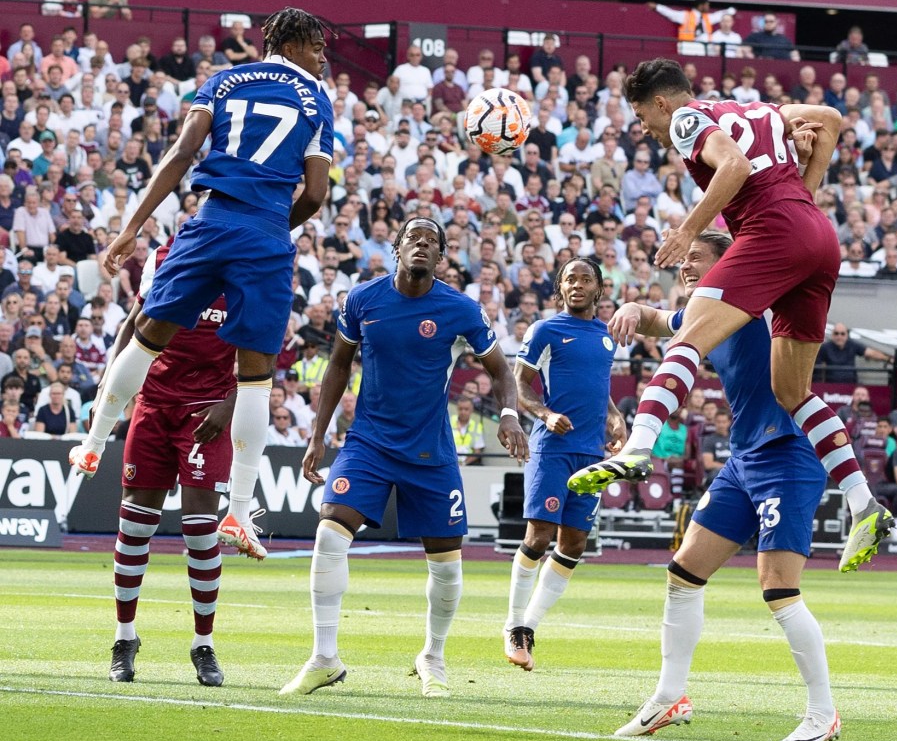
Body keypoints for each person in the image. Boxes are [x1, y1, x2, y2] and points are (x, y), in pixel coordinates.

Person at [567, 58, 893, 574]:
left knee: (688, 342)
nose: (647, 130)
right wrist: (806, 190)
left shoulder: (684, 119)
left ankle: (637, 447)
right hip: (819, 238)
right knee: (793, 392)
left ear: (659, 102)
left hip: (772, 233)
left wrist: (686, 229)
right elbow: (830, 117)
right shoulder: (760, 109)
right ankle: (863, 504)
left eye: (642, 117)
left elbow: (735, 167)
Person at [67, 8, 334, 564]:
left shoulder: (223, 81)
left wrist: (130, 228)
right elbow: (314, 195)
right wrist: (267, 225)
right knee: (257, 377)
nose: (323, 57)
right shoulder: (315, 99)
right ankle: (238, 507)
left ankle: (92, 446)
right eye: (317, 47)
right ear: (291, 41)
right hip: (263, 233)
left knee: (146, 334)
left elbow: (182, 154)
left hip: (211, 221)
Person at [607, 232, 840, 741]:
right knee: (682, 574)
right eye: (684, 260)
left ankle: (823, 712)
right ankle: (670, 697)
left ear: (730, 265)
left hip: (790, 450)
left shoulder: (754, 303)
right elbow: (655, 319)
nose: (687, 267)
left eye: (697, 259)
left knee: (778, 588)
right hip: (744, 457)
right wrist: (629, 305)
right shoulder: (704, 311)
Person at [280, 216, 527, 699]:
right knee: (330, 530)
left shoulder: (461, 310)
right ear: (396, 248)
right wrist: (318, 435)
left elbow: (500, 369)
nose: (421, 245)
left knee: (448, 567)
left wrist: (510, 414)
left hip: (430, 452)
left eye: (431, 242)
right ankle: (324, 658)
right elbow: (336, 366)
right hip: (369, 443)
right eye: (413, 237)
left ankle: (432, 656)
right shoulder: (362, 300)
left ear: (441, 257)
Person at [102, 243, 236, 687]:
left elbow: (265, 354)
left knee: (200, 528)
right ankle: (125, 637)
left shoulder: (247, 266)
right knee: (135, 526)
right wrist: (110, 392)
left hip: (207, 410)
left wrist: (230, 404)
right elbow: (133, 326)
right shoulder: (163, 260)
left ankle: (204, 644)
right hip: (154, 404)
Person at [504, 258, 624, 671]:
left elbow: (600, 387)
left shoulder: (608, 336)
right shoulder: (546, 330)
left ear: (599, 288)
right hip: (553, 448)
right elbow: (518, 384)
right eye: (569, 279)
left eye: (584, 278)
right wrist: (544, 414)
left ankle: (530, 627)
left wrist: (615, 416)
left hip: (591, 453)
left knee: (573, 544)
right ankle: (513, 625)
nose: (576, 284)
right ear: (560, 288)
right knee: (539, 536)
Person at [649, 0, 735, 53]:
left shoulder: (707, 18)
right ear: (701, 6)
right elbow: (670, 13)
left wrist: (732, 10)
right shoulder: (685, 15)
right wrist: (657, 7)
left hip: (705, 49)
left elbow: (719, 15)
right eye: (707, 5)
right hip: (688, 46)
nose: (709, 7)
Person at [814, 323, 891, 383]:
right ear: (832, 335)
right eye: (836, 333)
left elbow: (870, 353)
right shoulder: (825, 348)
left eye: (842, 334)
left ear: (847, 335)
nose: (839, 336)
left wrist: (887, 358)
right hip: (832, 385)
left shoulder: (852, 345)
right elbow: (817, 367)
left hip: (851, 385)